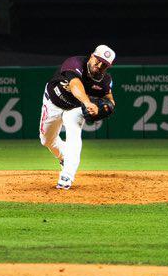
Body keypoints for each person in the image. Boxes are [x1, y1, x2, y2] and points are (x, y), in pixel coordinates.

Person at [39, 45, 116, 190]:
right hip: (53, 102)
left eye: (105, 64)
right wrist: (87, 102)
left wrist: (104, 108)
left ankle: (67, 176)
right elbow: (75, 85)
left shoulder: (104, 80)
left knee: (74, 134)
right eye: (98, 60)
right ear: (92, 56)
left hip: (74, 108)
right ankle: (64, 157)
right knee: (46, 140)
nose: (100, 65)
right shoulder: (74, 63)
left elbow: (110, 100)